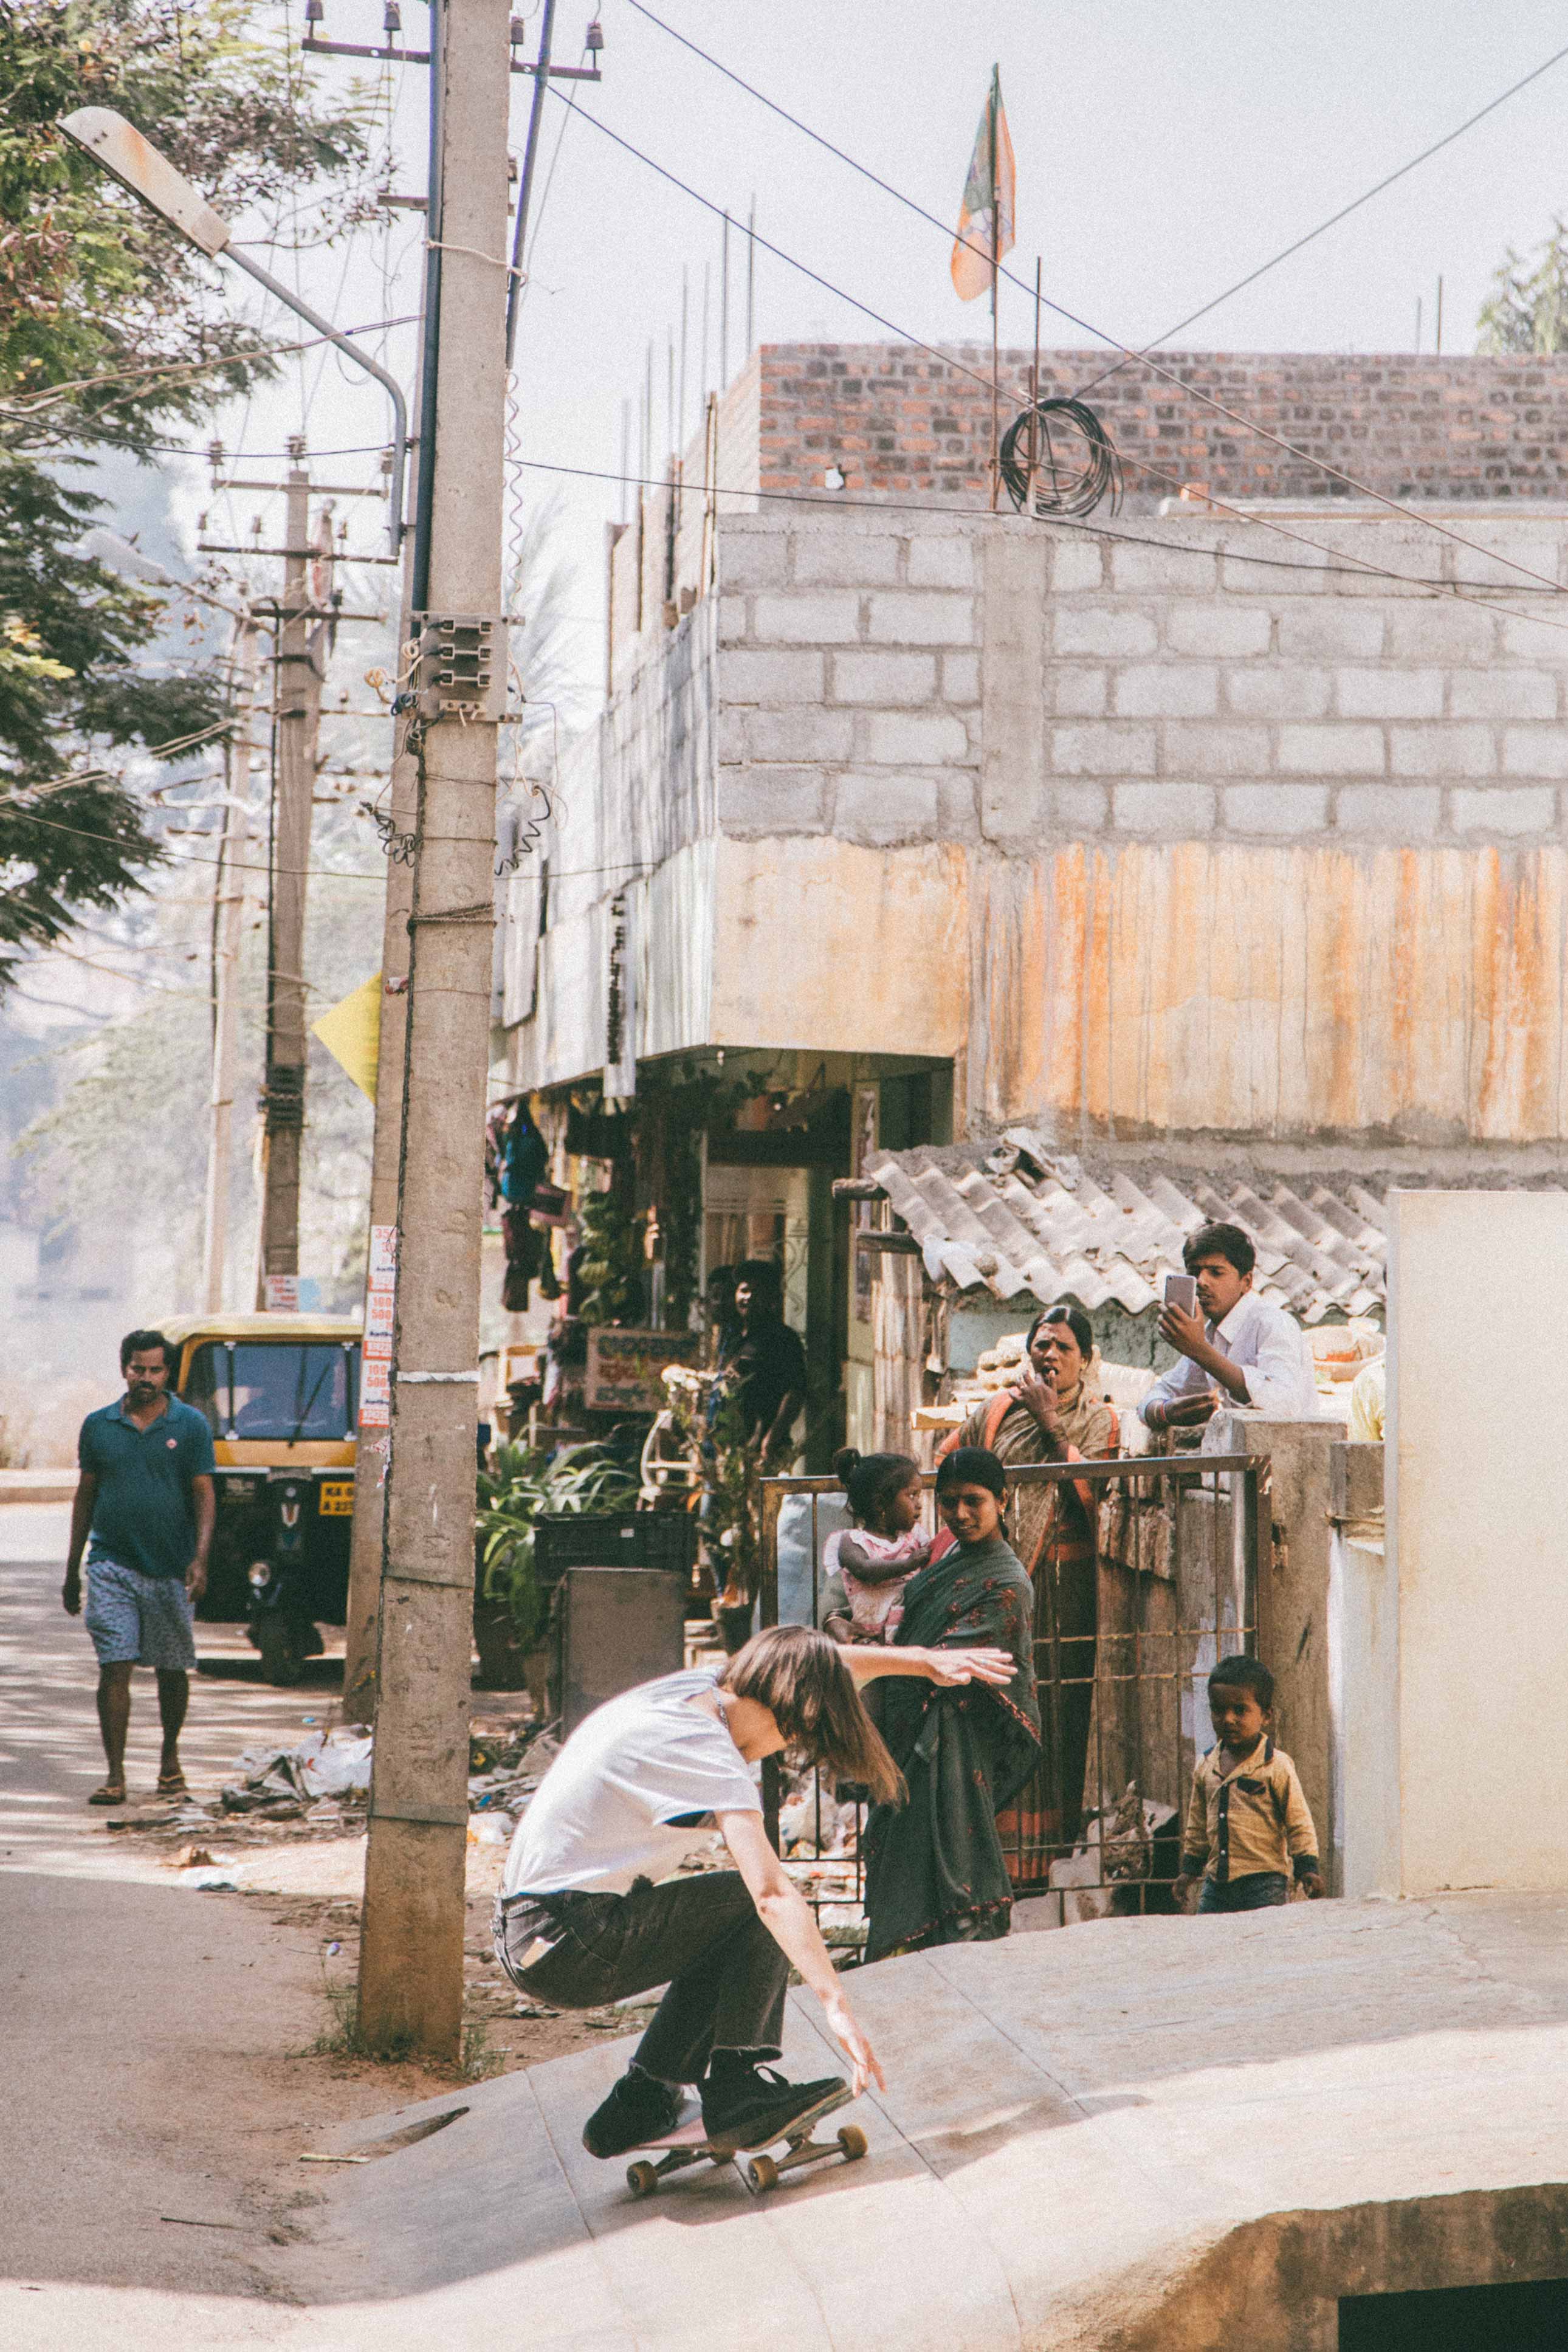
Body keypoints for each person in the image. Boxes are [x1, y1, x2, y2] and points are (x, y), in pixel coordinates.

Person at [493, 1622, 1014, 2160]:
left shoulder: (699, 1689)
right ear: (791, 1714)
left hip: (538, 1931)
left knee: (720, 1924)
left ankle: (642, 2100)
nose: (778, 1750)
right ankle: (737, 2088)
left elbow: (818, 1661)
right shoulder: (706, 1748)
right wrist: (836, 2005)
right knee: (753, 1906)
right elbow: (770, 1896)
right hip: (568, 1939)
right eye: (793, 1737)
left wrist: (923, 1661)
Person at [941, 1305, 1120, 1881]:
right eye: (1042, 1344)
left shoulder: (1099, 1420)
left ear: (1084, 1360)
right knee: (993, 1701)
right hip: (993, 1582)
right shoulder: (997, 1411)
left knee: (1055, 1710)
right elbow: (948, 1463)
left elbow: (1094, 1495)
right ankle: (991, 1854)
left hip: (1064, 1592)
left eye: (1064, 1347)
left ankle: (1047, 1859)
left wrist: (1051, 1423)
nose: (1051, 1356)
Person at [861, 1447, 1042, 1962]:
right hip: (910, 1727)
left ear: (1002, 1500)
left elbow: (955, 1660)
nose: (959, 1514)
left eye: (973, 1501)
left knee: (944, 1855)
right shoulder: (948, 1557)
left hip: (951, 1741)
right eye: (948, 1502)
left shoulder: (1007, 1582)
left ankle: (950, 1967)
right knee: (901, 1843)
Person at [61, 1329, 216, 1807]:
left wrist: (200, 1558)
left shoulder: (190, 1425)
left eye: (155, 1370)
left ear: (168, 1373)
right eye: (137, 1369)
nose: (145, 1378)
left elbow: (204, 1494)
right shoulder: (99, 1425)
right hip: (112, 1564)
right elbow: (86, 1496)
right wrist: (72, 1569)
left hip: (171, 1568)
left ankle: (170, 1760)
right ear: (123, 1369)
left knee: (172, 1668)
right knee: (115, 1665)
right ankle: (115, 1774)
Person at [1172, 1655, 1324, 1914]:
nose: (1228, 1719)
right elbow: (1197, 1824)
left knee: (1262, 1937)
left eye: (1240, 1710)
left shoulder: (1277, 1766)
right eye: (1218, 1710)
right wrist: (1189, 1871)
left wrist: (1307, 1868)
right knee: (1208, 1936)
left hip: (1264, 1885)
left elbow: (1298, 1822)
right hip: (1217, 1885)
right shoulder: (1206, 1766)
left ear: (1266, 1715)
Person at [1140, 1223, 1318, 1439]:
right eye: (1194, 1272)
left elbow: (1281, 1403)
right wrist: (1166, 1412)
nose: (1201, 1282)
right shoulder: (1210, 1333)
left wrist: (1199, 1350)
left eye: (1216, 1273)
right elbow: (1158, 1395)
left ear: (1246, 1282)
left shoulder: (1274, 1323)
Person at [708, 1259, 808, 1617]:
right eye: (743, 1290)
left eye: (755, 1291)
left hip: (763, 1453)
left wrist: (771, 1438)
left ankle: (758, 1610)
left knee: (760, 1533)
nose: (747, 1297)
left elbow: (795, 1392)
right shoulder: (737, 1337)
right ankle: (734, 1604)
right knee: (724, 1530)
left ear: (772, 1298)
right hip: (731, 1453)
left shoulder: (782, 1339)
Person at [820, 1448, 934, 1644]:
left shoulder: (914, 1537)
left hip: (911, 1633)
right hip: (869, 1637)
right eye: (912, 1496)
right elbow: (865, 1570)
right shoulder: (852, 1541)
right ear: (881, 1504)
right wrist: (908, 1564)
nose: (919, 1504)